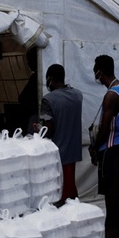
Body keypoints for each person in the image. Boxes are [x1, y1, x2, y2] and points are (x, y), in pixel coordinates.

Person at [88, 55, 119, 238]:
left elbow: (105, 127)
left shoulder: (111, 95)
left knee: (110, 191)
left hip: (111, 147)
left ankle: (113, 228)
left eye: (95, 70)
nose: (94, 74)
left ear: (100, 71)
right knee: (115, 189)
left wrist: (95, 147)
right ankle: (113, 225)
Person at [39, 63, 84, 203]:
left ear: (50, 79)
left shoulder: (48, 100)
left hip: (58, 150)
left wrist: (38, 130)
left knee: (59, 192)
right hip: (73, 149)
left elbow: (48, 130)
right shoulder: (78, 95)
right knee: (70, 187)